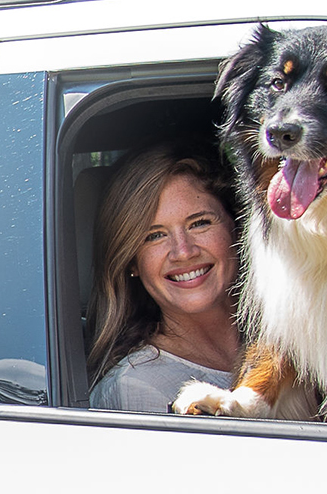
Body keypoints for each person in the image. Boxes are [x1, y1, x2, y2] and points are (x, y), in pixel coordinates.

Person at [87, 142, 242, 413]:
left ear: (235, 227)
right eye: (154, 236)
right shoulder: (137, 386)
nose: (183, 252)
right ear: (132, 260)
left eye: (200, 223)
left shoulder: (301, 342)